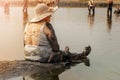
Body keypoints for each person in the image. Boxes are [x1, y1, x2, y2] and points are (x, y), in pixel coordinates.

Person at [24, 3, 91, 63]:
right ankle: (81, 55)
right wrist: (59, 53)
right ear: (45, 16)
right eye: (49, 15)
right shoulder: (47, 25)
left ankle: (66, 52)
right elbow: (55, 47)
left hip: (27, 55)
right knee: (64, 54)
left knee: (61, 52)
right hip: (43, 57)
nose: (51, 16)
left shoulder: (28, 25)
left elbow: (24, 43)